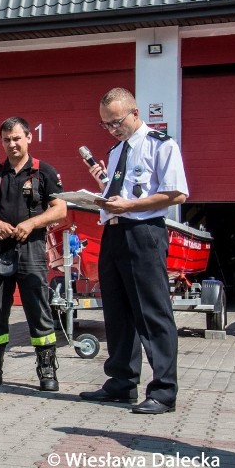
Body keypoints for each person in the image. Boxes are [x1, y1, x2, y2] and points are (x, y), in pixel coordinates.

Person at [80, 87, 189, 415]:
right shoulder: (116, 152)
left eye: (116, 122)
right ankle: (121, 383)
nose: (112, 129)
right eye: (106, 125)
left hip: (143, 234)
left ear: (135, 113)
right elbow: (122, 191)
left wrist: (130, 205)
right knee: (117, 311)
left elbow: (176, 194)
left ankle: (163, 391)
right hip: (112, 235)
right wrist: (103, 190)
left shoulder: (161, 144)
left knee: (152, 312)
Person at [0, 117, 66, 391]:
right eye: (6, 139)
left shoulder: (44, 172)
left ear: (28, 138)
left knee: (38, 310)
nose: (11, 144)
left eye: (16, 138)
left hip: (32, 249)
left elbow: (60, 209)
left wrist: (32, 223)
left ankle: (47, 369)